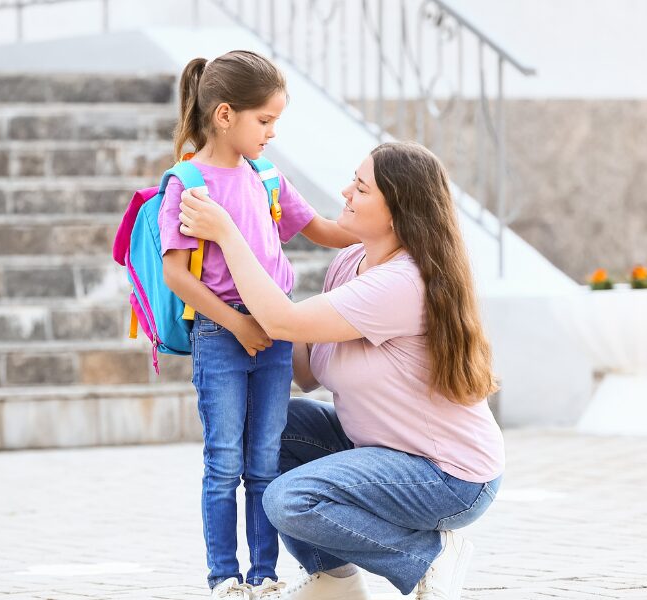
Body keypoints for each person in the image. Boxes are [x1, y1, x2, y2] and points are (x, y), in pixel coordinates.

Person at [177, 141, 505, 600]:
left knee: (288, 499)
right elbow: (308, 371)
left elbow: (284, 321)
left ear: (396, 211)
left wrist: (230, 236)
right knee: (270, 424)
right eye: (354, 179)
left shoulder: (400, 282)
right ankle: (334, 580)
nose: (346, 192)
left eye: (362, 187)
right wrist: (233, 319)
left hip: (447, 476)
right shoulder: (351, 262)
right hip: (382, 451)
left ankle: (427, 555)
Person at [160, 50, 358, 600]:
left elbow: (319, 227)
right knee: (224, 461)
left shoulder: (266, 176)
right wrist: (236, 324)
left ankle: (264, 575)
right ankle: (223, 577)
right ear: (225, 115)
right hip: (220, 336)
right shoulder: (188, 183)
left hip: (275, 335)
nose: (272, 133)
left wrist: (388, 228)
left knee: (265, 460)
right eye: (264, 121)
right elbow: (177, 274)